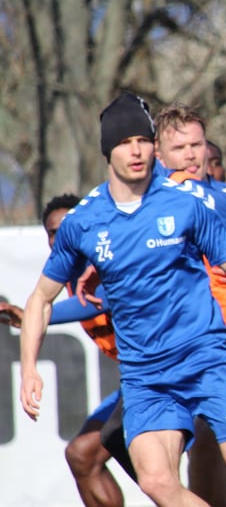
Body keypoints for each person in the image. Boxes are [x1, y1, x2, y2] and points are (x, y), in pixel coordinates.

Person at [18, 92, 226, 507]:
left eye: (143, 140)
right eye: (126, 142)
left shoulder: (186, 201)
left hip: (207, 360)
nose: (137, 150)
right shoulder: (85, 222)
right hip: (147, 378)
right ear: (108, 150)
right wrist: (30, 368)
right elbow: (41, 299)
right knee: (158, 483)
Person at [0, 194, 130, 507]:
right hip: (136, 381)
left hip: (166, 373)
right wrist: (30, 316)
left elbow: (99, 299)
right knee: (82, 456)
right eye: (54, 232)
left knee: (159, 475)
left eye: (70, 227)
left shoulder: (103, 261)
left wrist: (42, 314)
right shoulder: (65, 275)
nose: (62, 237)